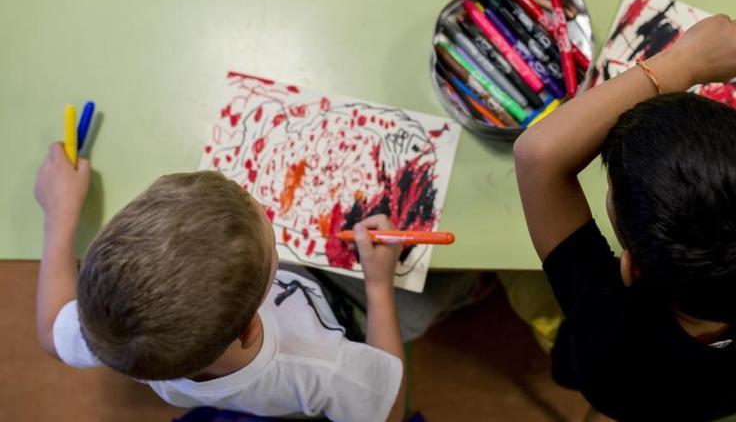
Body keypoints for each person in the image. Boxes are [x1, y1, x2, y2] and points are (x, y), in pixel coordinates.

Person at [512, 15, 736, 420]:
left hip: (607, 382)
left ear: (630, 269)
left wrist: (685, 62)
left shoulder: (608, 318)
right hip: (704, 395)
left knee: (523, 288)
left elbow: (538, 156)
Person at [34, 165, 476, 421]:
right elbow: (390, 407)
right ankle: (471, 292)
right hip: (352, 313)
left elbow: (51, 331)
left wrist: (60, 213)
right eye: (271, 238)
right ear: (249, 328)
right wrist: (379, 286)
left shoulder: (109, 330)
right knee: (439, 290)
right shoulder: (318, 366)